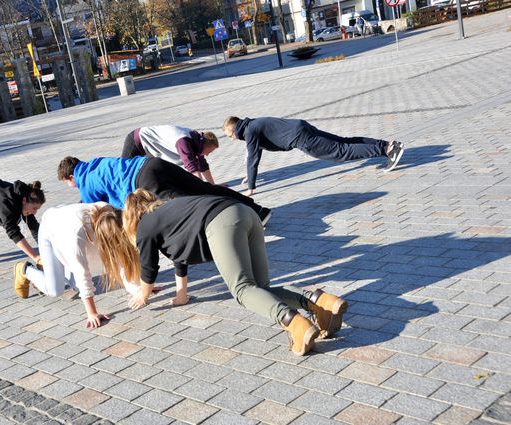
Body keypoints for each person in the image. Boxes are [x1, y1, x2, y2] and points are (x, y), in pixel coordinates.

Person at [94, 189, 348, 356]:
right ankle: (320, 302)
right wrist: (182, 295)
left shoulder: (146, 226)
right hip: (245, 213)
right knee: (261, 289)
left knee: (242, 290)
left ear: (130, 218)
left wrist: (143, 295)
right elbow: (179, 259)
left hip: (222, 221)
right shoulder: (169, 213)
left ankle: (295, 323)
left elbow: (149, 269)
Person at [12, 202, 143, 328]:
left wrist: (138, 289)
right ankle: (25, 269)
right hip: (50, 229)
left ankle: (57, 267)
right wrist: (92, 313)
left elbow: (121, 257)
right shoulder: (75, 236)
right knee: (55, 290)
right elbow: (82, 274)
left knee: (75, 285)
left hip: (68, 220)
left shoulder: (111, 215)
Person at [56, 155, 271, 224]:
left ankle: (234, 220)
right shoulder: (96, 163)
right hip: (152, 163)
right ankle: (257, 210)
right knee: (203, 188)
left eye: (68, 182)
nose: (71, 186)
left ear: (71, 176)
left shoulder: (85, 181)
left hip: (144, 180)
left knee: (192, 203)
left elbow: (89, 210)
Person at [222, 116, 404, 196]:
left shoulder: (249, 132)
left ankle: (387, 151)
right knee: (343, 141)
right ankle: (387, 145)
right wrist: (249, 174)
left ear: (234, 129)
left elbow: (253, 156)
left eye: (230, 135)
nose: (231, 139)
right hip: (301, 127)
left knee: (341, 151)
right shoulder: (251, 125)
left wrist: (251, 188)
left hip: (301, 138)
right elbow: (254, 153)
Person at [121, 125, 220, 184]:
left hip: (151, 148)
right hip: (137, 141)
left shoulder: (197, 142)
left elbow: (202, 165)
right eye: (209, 151)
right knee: (124, 173)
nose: (207, 155)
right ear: (205, 145)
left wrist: (213, 186)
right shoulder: (184, 142)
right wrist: (206, 190)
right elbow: (192, 168)